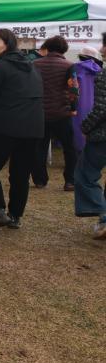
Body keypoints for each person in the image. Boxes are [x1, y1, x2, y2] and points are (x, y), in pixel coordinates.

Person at [0, 29, 44, 231]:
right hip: (33, 127)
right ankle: (15, 216)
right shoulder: (31, 67)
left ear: (8, 44)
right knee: (20, 174)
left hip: (5, 126)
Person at [31, 36, 79, 190]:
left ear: (47, 47)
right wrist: (73, 108)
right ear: (64, 49)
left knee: (39, 148)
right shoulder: (69, 65)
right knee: (69, 148)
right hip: (62, 113)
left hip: (39, 113)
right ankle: (70, 181)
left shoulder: (35, 64)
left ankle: (40, 180)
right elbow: (74, 89)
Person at [72, 55, 106, 239]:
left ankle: (104, 217)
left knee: (86, 175)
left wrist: (85, 126)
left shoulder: (103, 75)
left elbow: (101, 108)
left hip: (101, 136)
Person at [72, 45, 103, 154]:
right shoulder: (100, 71)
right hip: (96, 105)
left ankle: (77, 153)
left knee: (77, 129)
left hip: (77, 104)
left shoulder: (74, 69)